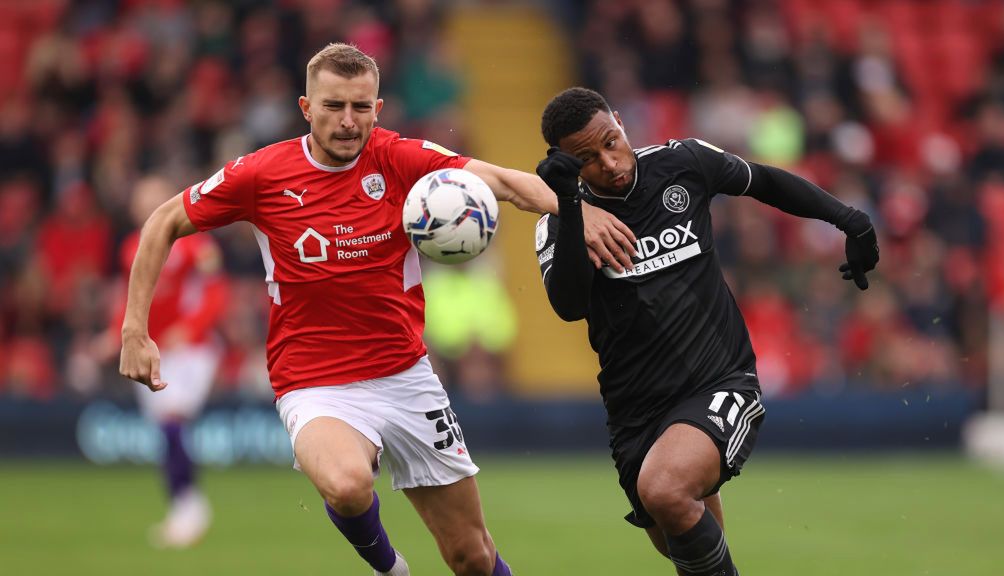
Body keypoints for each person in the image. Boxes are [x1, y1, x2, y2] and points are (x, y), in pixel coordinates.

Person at [119, 44, 635, 576]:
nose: (348, 122)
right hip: (312, 380)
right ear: (305, 107)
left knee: (472, 556)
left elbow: (502, 182)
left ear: (378, 108)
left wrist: (579, 211)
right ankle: (391, 569)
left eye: (360, 108)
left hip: (406, 376)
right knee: (347, 484)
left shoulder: (398, 157)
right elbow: (163, 221)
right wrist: (135, 329)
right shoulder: (263, 174)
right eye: (333, 106)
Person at [533, 87, 879, 576]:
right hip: (635, 412)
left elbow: (765, 182)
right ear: (562, 162)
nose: (609, 163)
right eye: (586, 159)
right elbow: (568, 306)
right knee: (682, 542)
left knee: (666, 490)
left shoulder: (683, 163)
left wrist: (850, 221)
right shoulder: (559, 221)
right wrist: (569, 204)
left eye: (611, 141)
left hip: (719, 380)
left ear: (619, 120)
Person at [93, 176, 228, 548]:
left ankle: (189, 509)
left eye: (155, 197)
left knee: (171, 421)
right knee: (168, 431)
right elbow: (130, 298)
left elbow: (217, 294)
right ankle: (183, 506)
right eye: (142, 198)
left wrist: (190, 328)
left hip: (193, 349)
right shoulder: (131, 248)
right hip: (153, 350)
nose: (148, 204)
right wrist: (115, 333)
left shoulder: (196, 243)